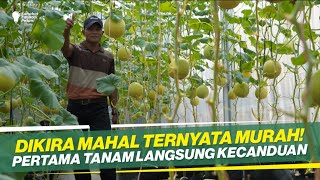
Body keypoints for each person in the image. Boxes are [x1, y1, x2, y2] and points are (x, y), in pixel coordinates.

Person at [61, 15, 118, 180]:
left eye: (97, 28)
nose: (94, 32)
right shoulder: (76, 50)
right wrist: (66, 31)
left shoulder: (108, 56)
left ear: (102, 32)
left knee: (105, 153)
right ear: (84, 31)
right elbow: (65, 49)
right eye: (90, 28)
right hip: (75, 108)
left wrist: (115, 111)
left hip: (98, 107)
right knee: (79, 155)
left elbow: (112, 84)